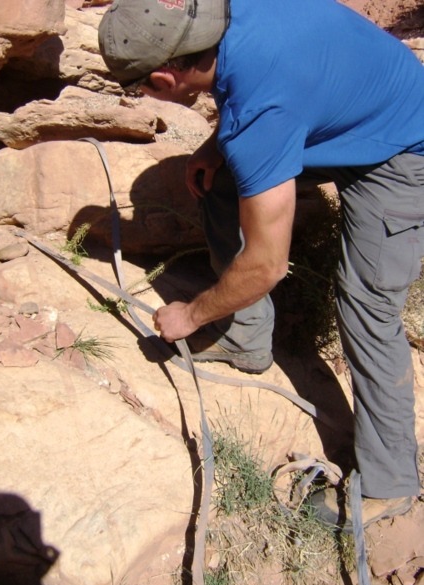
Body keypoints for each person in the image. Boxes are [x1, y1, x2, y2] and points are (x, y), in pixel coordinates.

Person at [98, 0, 424, 530]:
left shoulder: (260, 116)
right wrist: (217, 143)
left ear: (163, 77)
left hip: (405, 144)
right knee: (221, 179)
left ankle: (391, 484)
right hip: (346, 106)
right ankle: (246, 338)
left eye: (141, 90)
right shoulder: (228, 13)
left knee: (367, 306)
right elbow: (260, 78)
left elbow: (267, 264)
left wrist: (191, 315)